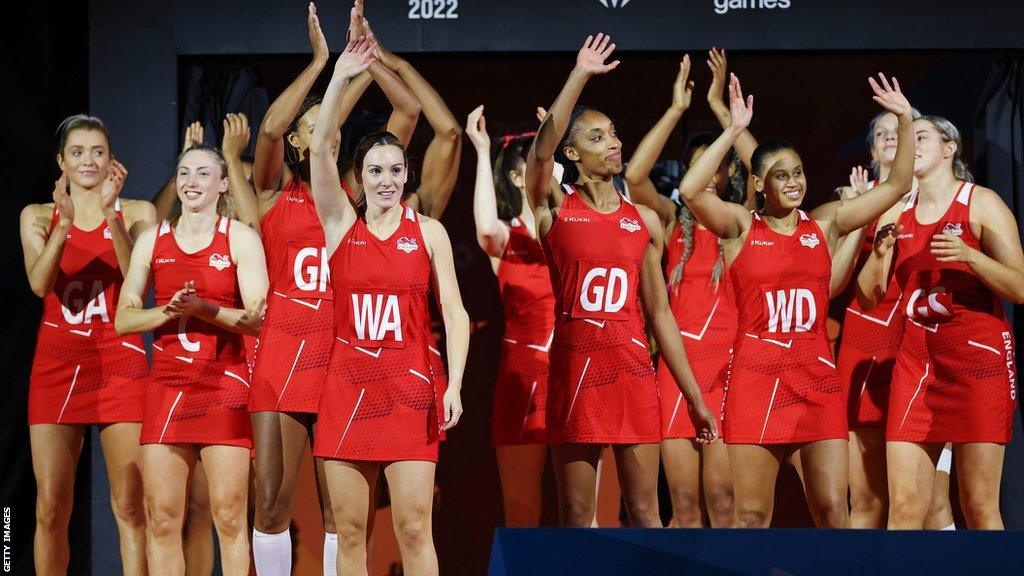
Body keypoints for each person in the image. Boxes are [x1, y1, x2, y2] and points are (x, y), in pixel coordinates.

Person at [679, 72, 915, 528]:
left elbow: (897, 186)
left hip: (815, 380)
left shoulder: (825, 222)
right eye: (780, 175)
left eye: (799, 172)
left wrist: (905, 119)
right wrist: (731, 130)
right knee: (750, 517)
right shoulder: (739, 227)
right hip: (756, 378)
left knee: (832, 512)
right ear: (759, 183)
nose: (793, 182)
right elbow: (689, 191)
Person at [245, 3, 421, 573]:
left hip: (340, 355)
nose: (327, 126)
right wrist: (324, 61)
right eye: (314, 121)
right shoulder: (271, 192)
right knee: (270, 503)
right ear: (303, 140)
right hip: (280, 355)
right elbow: (271, 128)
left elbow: (409, 109)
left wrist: (367, 57)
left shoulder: (352, 197)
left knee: (340, 510)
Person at [526, 33, 717, 528]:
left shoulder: (644, 222)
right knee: (574, 513)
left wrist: (695, 398)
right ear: (574, 155)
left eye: (612, 134)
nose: (612, 143)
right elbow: (541, 151)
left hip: (632, 373)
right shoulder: (554, 209)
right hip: (575, 374)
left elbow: (659, 315)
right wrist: (580, 74)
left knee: (646, 511)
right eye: (596, 137)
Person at [307, 35, 469, 575]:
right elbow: (321, 146)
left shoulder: (429, 233)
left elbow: (455, 311)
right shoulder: (339, 227)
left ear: (406, 175)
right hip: (348, 385)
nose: (386, 181)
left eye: (395, 171)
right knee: (351, 531)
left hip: (409, 387)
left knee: (413, 528)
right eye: (375, 171)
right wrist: (339, 77)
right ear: (359, 178)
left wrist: (455, 383)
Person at [856, 114, 1023, 530]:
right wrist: (879, 254)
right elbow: (867, 295)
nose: (910, 143)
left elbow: (1019, 286)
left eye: (922, 135)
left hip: (978, 363)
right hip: (918, 364)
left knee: (979, 505)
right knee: (906, 509)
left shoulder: (980, 202)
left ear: (950, 148)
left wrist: (971, 256)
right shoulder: (895, 209)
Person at [116, 143, 268, 575]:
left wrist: (204, 309)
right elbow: (124, 319)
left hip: (224, 386)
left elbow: (258, 321)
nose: (191, 182)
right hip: (167, 388)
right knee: (162, 519)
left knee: (229, 517)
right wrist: (166, 311)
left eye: (203, 174)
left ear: (223, 184)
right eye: (184, 173)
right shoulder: (153, 240)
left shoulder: (239, 238)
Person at [20, 115, 154, 575]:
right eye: (77, 152)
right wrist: (65, 226)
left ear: (111, 159)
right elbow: (39, 285)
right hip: (58, 365)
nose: (88, 161)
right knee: (50, 508)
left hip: (121, 361)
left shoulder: (138, 213)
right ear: (62, 162)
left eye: (97, 151)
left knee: (131, 505)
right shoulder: (37, 216)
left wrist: (112, 214)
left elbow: (137, 275)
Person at [623, 52, 748, 528]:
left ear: (725, 173)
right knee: (686, 508)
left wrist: (726, 115)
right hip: (677, 372)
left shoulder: (741, 225)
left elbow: (759, 162)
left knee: (723, 504)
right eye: (695, 167)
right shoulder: (673, 223)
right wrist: (676, 110)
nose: (702, 177)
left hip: (728, 370)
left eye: (713, 166)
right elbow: (634, 178)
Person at [466, 106, 554, 527]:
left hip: (578, 372)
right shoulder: (507, 237)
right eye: (537, 164)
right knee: (522, 509)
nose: (546, 172)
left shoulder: (574, 227)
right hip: (524, 378)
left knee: (584, 511)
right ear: (518, 177)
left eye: (551, 164)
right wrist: (482, 151)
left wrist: (556, 142)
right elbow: (485, 229)